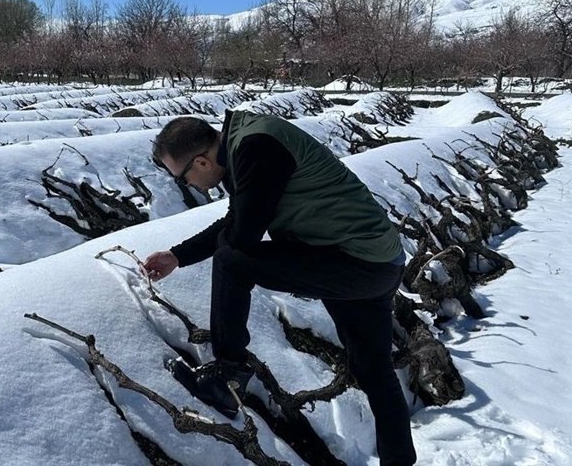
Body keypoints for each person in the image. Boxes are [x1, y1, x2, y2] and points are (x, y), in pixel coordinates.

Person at [142, 110, 416, 466]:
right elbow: (238, 219)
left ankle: (228, 377)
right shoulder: (247, 140)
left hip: (355, 260)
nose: (188, 186)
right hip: (374, 259)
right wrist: (178, 256)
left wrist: (200, 251)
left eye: (182, 178)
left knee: (231, 261)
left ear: (201, 161)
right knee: (374, 371)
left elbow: (242, 236)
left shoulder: (255, 147)